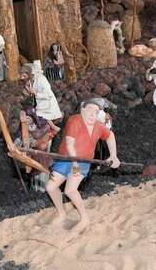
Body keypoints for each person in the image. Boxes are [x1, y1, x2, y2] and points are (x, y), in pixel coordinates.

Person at [45, 98, 119, 235]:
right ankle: (61, 213)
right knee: (50, 187)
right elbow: (70, 145)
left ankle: (84, 219)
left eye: (95, 112)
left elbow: (110, 136)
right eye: (89, 110)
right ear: (82, 110)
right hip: (66, 158)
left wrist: (113, 156)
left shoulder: (98, 126)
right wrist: (74, 164)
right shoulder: (74, 121)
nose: (92, 114)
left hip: (83, 161)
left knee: (70, 190)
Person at [15, 107, 60, 192]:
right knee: (33, 176)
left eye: (29, 118)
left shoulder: (41, 127)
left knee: (42, 174)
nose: (27, 120)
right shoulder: (23, 128)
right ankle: (35, 191)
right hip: (31, 156)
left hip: (41, 155)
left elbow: (46, 139)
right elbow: (19, 139)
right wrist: (15, 146)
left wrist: (36, 143)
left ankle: (42, 191)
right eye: (25, 119)